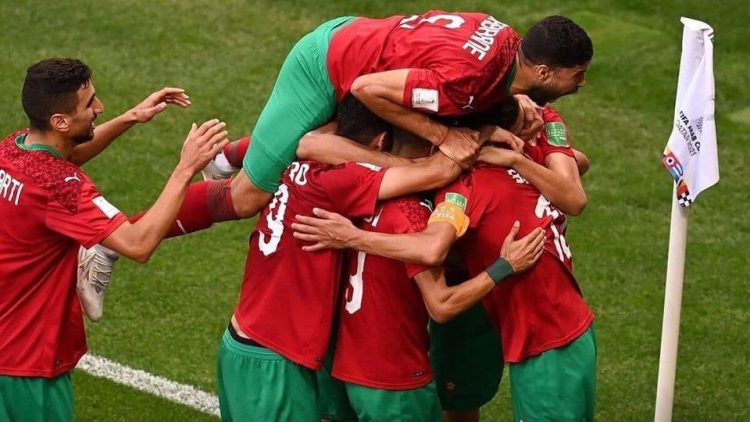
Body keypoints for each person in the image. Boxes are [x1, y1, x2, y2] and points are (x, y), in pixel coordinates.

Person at [293, 103, 596, 421]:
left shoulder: (328, 182)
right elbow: (437, 280)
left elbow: (305, 143)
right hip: (397, 375)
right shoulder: (426, 205)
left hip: (334, 352)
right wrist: (504, 265)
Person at [0, 58, 228, 421]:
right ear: (59, 121)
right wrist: (186, 168)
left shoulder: (15, 148)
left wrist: (131, 117)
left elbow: (69, 154)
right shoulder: (59, 186)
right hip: (26, 364)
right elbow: (138, 243)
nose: (99, 108)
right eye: (90, 104)